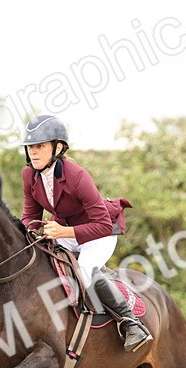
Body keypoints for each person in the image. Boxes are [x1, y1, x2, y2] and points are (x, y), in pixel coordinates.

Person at [18, 114, 152, 352]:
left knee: (86, 271)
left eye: (40, 146)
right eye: (30, 147)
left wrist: (62, 231)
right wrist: (30, 232)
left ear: (57, 148)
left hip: (100, 232)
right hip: (64, 231)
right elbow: (29, 216)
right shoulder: (30, 175)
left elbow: (100, 224)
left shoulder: (77, 176)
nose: (33, 152)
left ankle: (131, 323)